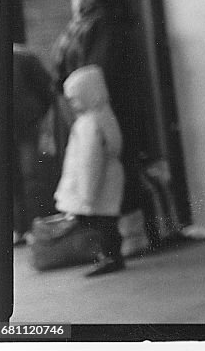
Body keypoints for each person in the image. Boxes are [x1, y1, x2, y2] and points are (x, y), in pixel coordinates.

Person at [52, 0, 141, 215]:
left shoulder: (101, 26)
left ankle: (113, 231)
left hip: (93, 105)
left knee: (95, 165)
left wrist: (72, 92)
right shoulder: (83, 26)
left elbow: (95, 71)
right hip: (80, 104)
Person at [54, 64, 126, 277]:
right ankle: (112, 255)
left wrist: (87, 193)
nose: (73, 104)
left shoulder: (88, 124)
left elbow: (89, 161)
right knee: (108, 222)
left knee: (101, 224)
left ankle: (108, 257)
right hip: (109, 178)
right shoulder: (105, 115)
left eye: (75, 98)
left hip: (95, 183)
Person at [12, 41, 54, 242]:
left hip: (25, 126)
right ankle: (29, 228)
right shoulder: (24, 56)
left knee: (26, 178)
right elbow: (46, 89)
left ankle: (27, 227)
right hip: (27, 124)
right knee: (29, 178)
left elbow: (46, 89)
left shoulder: (22, 57)